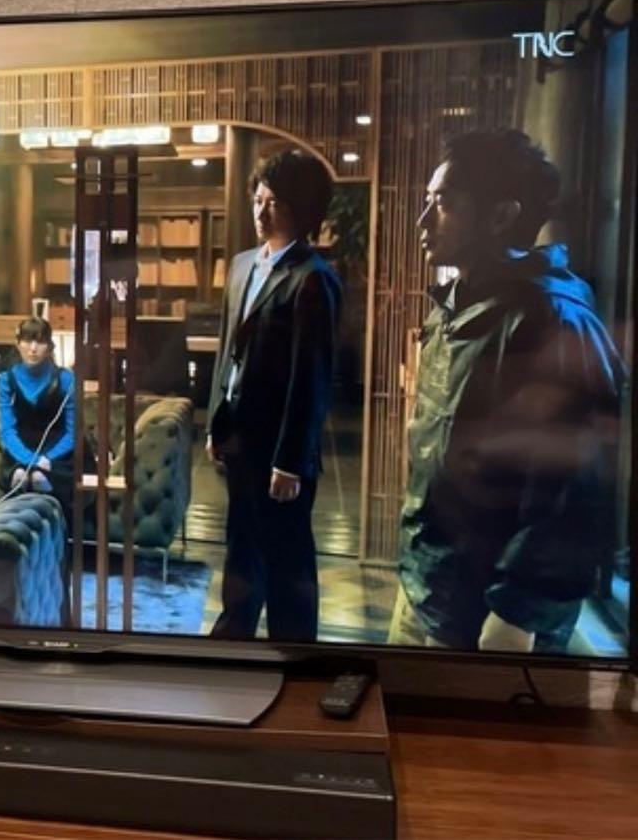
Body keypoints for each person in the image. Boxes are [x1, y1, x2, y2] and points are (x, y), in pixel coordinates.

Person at [391, 129, 626, 653]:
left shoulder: (553, 318)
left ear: (500, 216)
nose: (423, 221)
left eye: (442, 204)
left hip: (488, 611)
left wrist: (518, 612)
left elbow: (575, 489)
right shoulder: (459, 301)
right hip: (430, 584)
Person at [207, 149, 341, 641]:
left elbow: (312, 378)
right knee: (241, 545)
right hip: (239, 436)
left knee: (288, 558)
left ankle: (295, 650)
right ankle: (234, 639)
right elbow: (227, 350)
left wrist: (291, 462)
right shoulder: (242, 265)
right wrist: (215, 424)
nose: (262, 212)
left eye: (276, 203)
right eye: (258, 200)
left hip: (280, 445)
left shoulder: (313, 277)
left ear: (301, 209)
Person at [0, 317, 76, 522]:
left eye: (40, 342)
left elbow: (73, 432)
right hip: (22, 448)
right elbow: (7, 431)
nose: (33, 348)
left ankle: (57, 530)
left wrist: (47, 459)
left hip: (59, 451)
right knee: (19, 477)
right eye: (27, 341)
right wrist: (30, 460)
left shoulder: (66, 379)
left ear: (49, 346)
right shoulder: (7, 380)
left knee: (40, 477)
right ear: (18, 344)